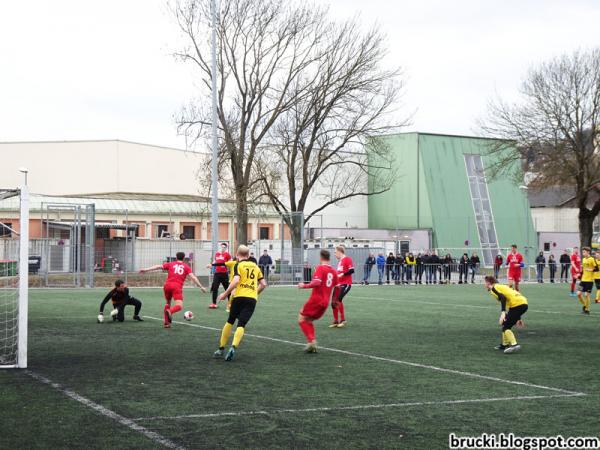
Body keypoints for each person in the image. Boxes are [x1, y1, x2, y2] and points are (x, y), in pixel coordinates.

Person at [214, 245, 267, 361]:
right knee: (241, 324)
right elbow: (264, 284)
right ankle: (233, 347)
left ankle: (221, 348)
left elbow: (236, 280)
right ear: (248, 256)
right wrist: (255, 293)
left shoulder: (238, 265)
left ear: (237, 255)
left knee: (230, 321)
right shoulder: (255, 266)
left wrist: (224, 294)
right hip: (251, 299)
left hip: (238, 297)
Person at [140, 252, 207, 328]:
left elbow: (158, 266)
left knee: (168, 303)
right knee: (179, 306)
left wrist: (145, 270)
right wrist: (201, 287)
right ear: (184, 258)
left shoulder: (171, 264)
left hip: (167, 286)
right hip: (176, 287)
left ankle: (166, 323)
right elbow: (193, 277)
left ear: (176, 257)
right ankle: (170, 311)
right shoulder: (186, 267)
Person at [297, 250, 338, 353]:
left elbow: (317, 282)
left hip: (316, 299)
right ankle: (312, 344)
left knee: (301, 319)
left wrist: (304, 285)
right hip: (325, 302)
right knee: (309, 320)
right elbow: (338, 287)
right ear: (329, 258)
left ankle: (312, 341)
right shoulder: (333, 271)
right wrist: (334, 300)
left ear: (321, 258)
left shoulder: (320, 268)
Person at [484, 275, 528, 354]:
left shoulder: (494, 288)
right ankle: (504, 345)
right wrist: (519, 318)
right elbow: (511, 298)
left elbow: (503, 298)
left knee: (506, 327)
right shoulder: (502, 286)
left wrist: (503, 313)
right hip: (523, 303)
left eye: (485, 282)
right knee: (505, 324)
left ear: (488, 283)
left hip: (517, 305)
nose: (484, 285)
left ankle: (514, 344)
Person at [330, 245, 354, 328]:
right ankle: (336, 321)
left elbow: (352, 270)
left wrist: (342, 274)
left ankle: (343, 319)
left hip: (346, 284)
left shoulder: (347, 259)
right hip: (339, 284)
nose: (334, 254)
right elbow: (338, 274)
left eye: (335, 252)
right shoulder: (340, 261)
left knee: (338, 300)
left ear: (340, 252)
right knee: (333, 303)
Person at [209, 243, 232, 309]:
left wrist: (226, 266)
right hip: (217, 274)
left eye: (224, 247)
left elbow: (230, 263)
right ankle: (214, 303)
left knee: (227, 289)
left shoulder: (227, 255)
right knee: (215, 288)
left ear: (226, 248)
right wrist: (211, 265)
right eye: (221, 247)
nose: (222, 248)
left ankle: (230, 303)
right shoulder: (217, 254)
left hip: (224, 274)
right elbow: (214, 262)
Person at [577, 247, 595, 315]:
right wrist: (579, 276)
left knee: (586, 295)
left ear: (588, 252)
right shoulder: (583, 259)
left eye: (584, 252)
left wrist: (590, 270)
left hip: (589, 281)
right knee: (578, 294)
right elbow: (583, 270)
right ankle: (585, 305)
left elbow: (596, 269)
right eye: (582, 252)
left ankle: (587, 310)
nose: (583, 253)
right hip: (583, 281)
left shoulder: (592, 259)